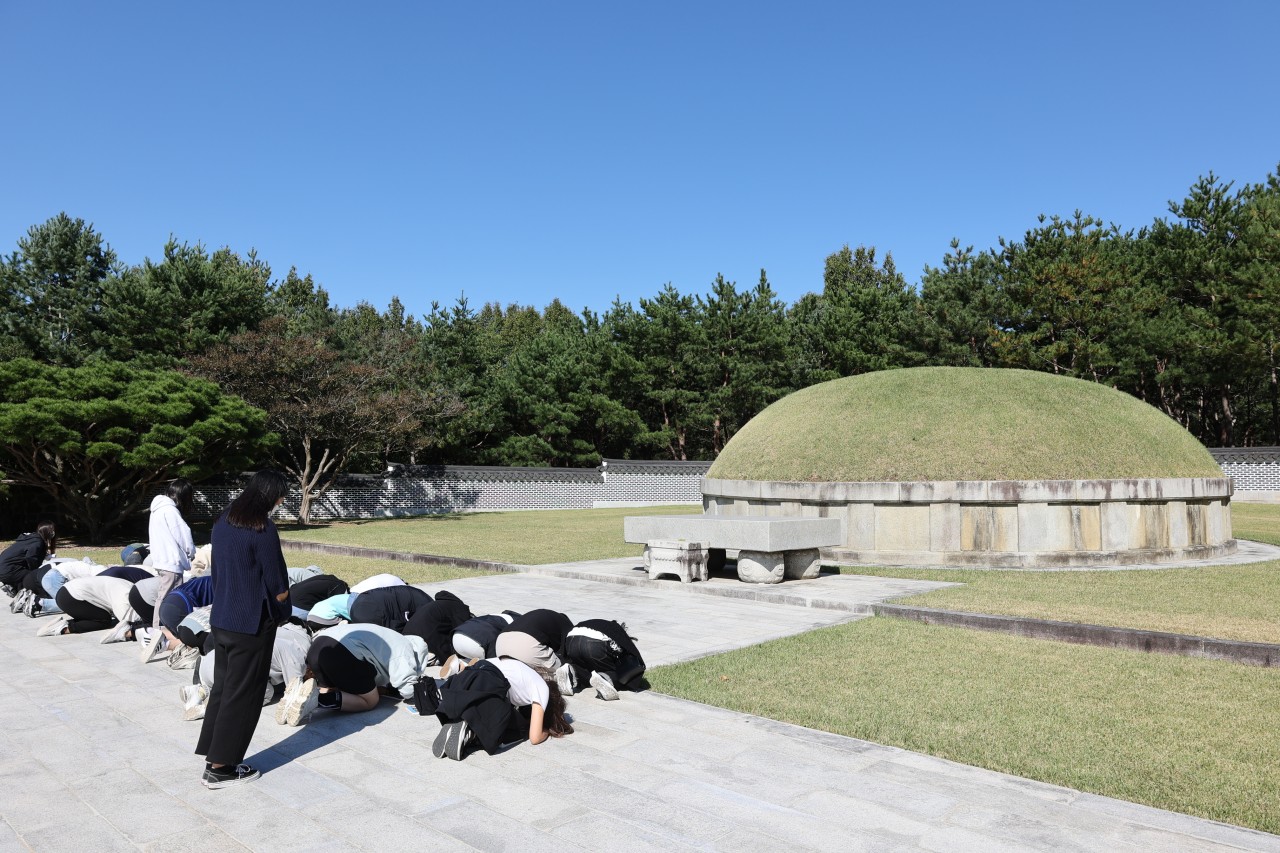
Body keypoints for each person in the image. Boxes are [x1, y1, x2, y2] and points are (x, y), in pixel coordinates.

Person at [194, 470, 291, 790]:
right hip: (251, 625)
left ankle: (213, 754)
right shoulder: (262, 529)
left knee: (223, 691)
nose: (280, 502)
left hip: (221, 619)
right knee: (244, 696)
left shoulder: (223, 521)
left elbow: (218, 571)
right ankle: (221, 768)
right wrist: (282, 612)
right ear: (271, 496)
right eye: (281, 496)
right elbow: (278, 586)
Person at [416, 656, 573, 761]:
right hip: (487, 683)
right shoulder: (542, 689)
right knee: (518, 730)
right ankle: (469, 729)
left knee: (505, 708)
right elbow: (535, 737)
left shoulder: (523, 670)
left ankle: (460, 719)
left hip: (464, 681)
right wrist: (545, 731)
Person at [276, 622, 433, 726]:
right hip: (342, 654)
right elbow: (408, 689)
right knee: (370, 701)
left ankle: (297, 697)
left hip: (319, 647)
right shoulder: (405, 649)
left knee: (333, 688)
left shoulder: (390, 636)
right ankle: (317, 701)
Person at [144, 480, 196, 646]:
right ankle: (158, 630)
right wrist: (191, 551)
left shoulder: (157, 509)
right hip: (170, 561)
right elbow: (183, 533)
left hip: (161, 559)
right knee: (169, 596)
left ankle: (161, 628)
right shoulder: (170, 510)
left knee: (166, 595)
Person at [559, 619, 647, 700]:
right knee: (614, 672)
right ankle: (605, 678)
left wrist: (564, 659)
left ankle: (571, 672)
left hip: (571, 640)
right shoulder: (617, 632)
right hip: (595, 643)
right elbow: (631, 652)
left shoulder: (602, 625)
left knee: (583, 669)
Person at [1, 521, 56, 599]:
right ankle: (38, 598)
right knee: (34, 578)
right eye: (52, 531)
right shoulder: (38, 541)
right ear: (48, 532)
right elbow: (31, 557)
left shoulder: (30, 539)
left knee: (26, 574)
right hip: (9, 570)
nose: (53, 533)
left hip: (4, 568)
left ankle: (13, 589)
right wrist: (35, 571)